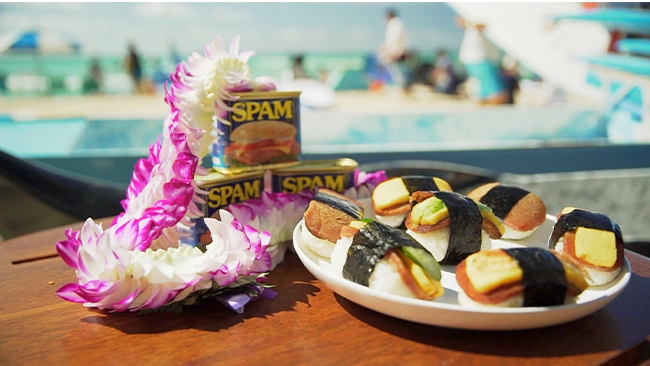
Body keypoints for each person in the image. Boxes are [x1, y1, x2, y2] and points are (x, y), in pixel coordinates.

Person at [457, 17, 509, 104]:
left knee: (489, 95)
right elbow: (461, 21)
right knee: (498, 95)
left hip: (480, 59)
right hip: (479, 59)